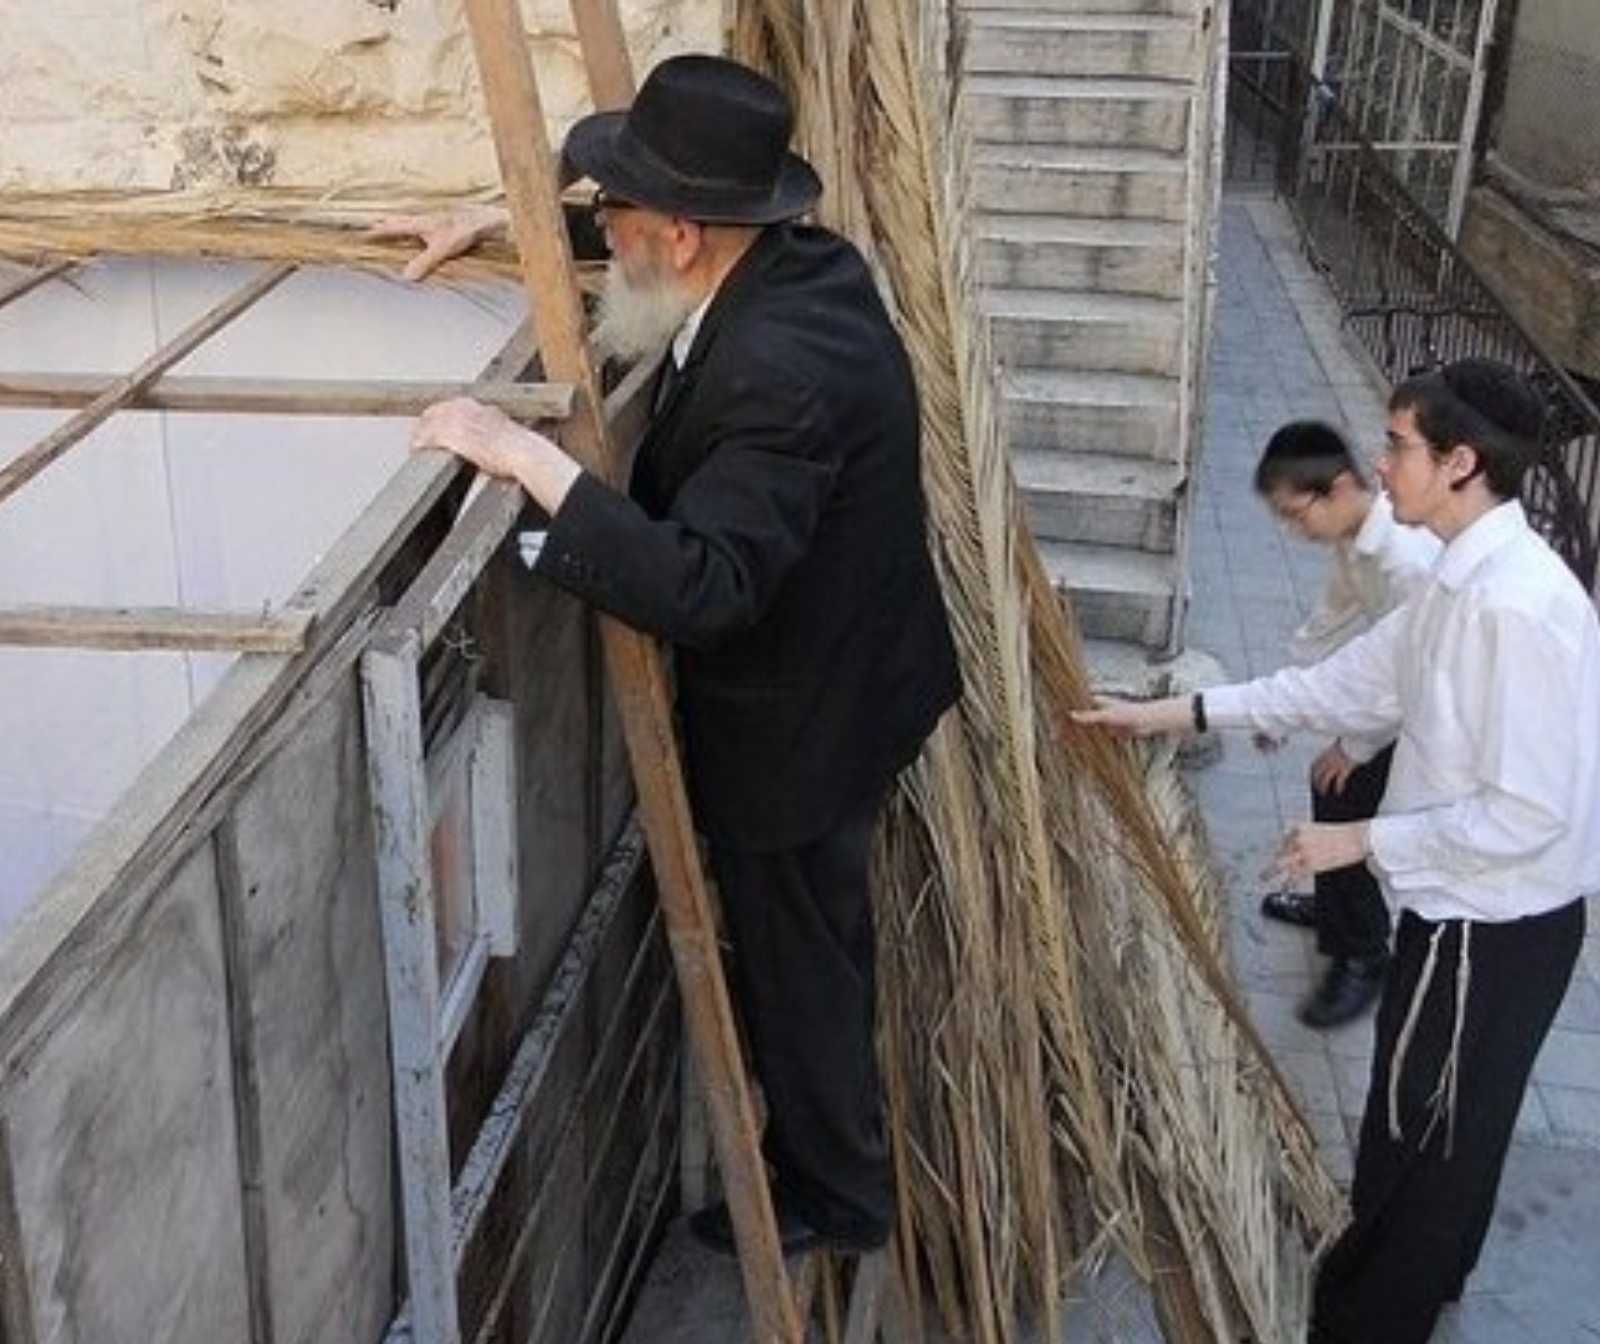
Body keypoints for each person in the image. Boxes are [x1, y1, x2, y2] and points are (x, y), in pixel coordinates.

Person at [401, 54, 962, 1256]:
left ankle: (838, 1199)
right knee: (813, 946)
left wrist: (523, 457)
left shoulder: (779, 374)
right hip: (857, 669)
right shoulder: (803, 264)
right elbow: (642, 244)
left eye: (614, 215)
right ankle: (826, 1159)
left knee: (801, 969)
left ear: (685, 234)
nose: (604, 233)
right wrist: (501, 224)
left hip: (804, 728)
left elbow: (706, 588)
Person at [1074, 358, 1597, 1343]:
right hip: (1479, 916)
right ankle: (1427, 1282)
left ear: (1460, 462)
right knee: (1446, 1136)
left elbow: (1527, 811)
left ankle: (1368, 1321)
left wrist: (1354, 838)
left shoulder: (1513, 607)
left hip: (1488, 929)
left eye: (1398, 445)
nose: (1381, 464)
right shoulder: (1458, 579)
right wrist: (1170, 713)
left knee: (1416, 1144)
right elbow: (1335, 686)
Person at [1252, 421, 1440, 1027]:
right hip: (1396, 696)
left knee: (1344, 790)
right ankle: (1336, 909)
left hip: (1434, 712)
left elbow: (1414, 677)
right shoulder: (1355, 538)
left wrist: (1356, 748)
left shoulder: (1406, 558)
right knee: (1330, 789)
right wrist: (1278, 706)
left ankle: (1362, 953)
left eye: (1295, 513)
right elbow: (1330, 619)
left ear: (1335, 489)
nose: (1293, 529)